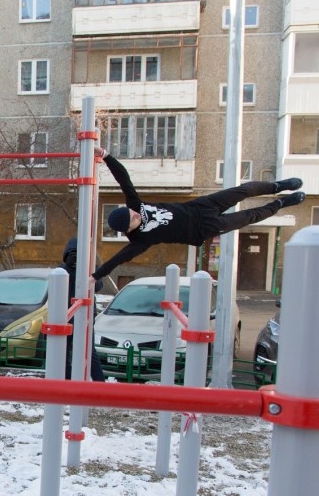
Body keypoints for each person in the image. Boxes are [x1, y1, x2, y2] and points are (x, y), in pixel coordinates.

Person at [92, 149, 306, 282]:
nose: (136, 215)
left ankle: (277, 186)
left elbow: (123, 179)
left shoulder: (135, 204)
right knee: (249, 216)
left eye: (132, 213)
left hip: (200, 207)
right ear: (128, 230)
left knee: (243, 190)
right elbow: (118, 259)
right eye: (134, 220)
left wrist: (106, 155)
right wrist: (96, 276)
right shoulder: (139, 241)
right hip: (204, 229)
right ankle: (281, 203)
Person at [58, 238, 105, 382]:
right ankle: (99, 384)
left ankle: (69, 381)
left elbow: (96, 286)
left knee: (67, 350)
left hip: (71, 313)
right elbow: (98, 286)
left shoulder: (64, 270)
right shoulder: (83, 269)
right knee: (86, 351)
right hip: (79, 314)